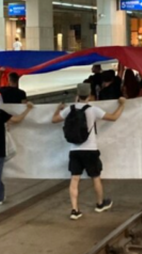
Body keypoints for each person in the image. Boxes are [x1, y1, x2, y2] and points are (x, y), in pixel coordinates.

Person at [52, 83, 126, 220]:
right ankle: (100, 204)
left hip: (74, 150)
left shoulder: (69, 109)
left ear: (77, 94)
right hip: (90, 149)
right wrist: (122, 104)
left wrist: (58, 109)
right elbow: (113, 117)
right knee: (95, 177)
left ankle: (75, 210)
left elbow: (54, 120)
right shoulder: (93, 110)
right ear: (90, 95)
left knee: (74, 179)